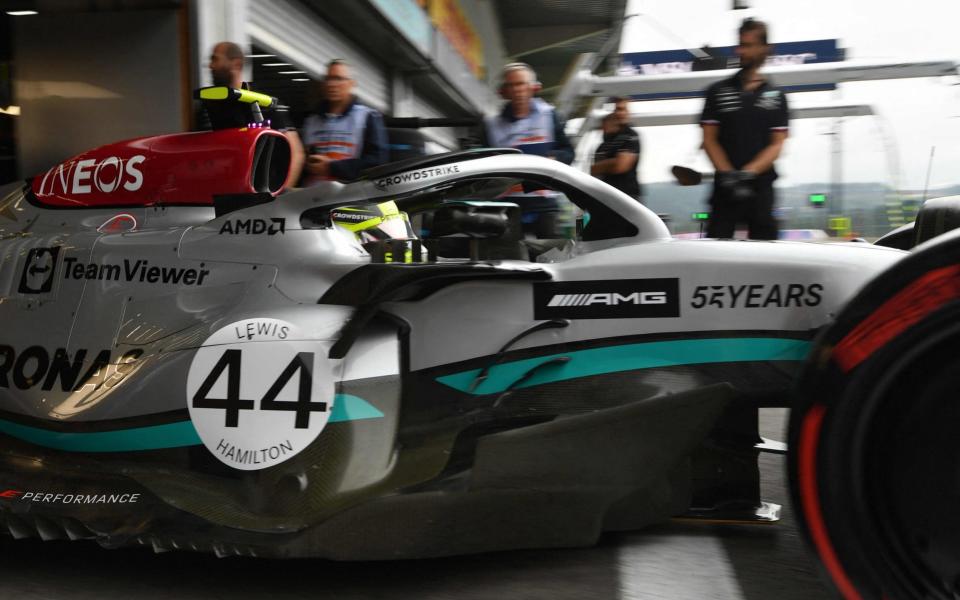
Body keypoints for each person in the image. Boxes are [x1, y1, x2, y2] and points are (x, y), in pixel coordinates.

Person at [700, 19, 788, 240]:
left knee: (766, 257)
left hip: (760, 189)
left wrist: (747, 174)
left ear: (765, 49)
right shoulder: (717, 91)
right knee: (716, 255)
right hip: (724, 189)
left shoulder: (776, 96)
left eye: (748, 45)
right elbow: (709, 140)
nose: (741, 51)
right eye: (740, 45)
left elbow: (777, 143)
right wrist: (729, 175)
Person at [483, 62, 574, 237]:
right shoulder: (491, 124)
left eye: (521, 84)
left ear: (533, 87)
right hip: (506, 204)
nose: (517, 90)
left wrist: (555, 159)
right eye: (511, 85)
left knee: (551, 256)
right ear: (503, 91)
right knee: (509, 260)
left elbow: (569, 151)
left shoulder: (549, 115)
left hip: (544, 203)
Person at [203, 41, 305, 188]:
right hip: (225, 192)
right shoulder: (209, 106)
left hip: (263, 196)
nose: (210, 66)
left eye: (215, 59)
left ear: (236, 65)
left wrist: (281, 195)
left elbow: (297, 153)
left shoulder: (265, 102)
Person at [300, 59, 388, 186]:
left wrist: (332, 167)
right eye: (328, 79)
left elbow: (378, 161)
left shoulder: (368, 116)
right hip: (310, 196)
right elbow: (300, 160)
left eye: (338, 79)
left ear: (352, 83)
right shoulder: (311, 120)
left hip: (349, 196)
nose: (331, 84)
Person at [591, 107, 642, 202]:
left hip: (628, 195)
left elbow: (620, 166)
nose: (603, 129)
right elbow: (593, 170)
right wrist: (610, 164)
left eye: (606, 125)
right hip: (606, 195)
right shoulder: (601, 147)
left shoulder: (629, 138)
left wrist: (604, 166)